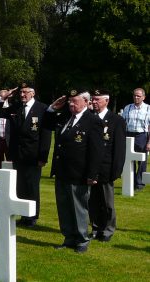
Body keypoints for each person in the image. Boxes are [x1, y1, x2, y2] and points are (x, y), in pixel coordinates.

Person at [44, 90, 104, 253]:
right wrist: (52, 109)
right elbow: (47, 125)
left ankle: (82, 240)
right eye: (69, 101)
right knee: (64, 207)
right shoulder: (65, 117)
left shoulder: (93, 121)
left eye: (74, 101)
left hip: (79, 173)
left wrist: (92, 174)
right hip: (62, 171)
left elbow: (96, 151)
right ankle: (69, 237)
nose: (71, 104)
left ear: (85, 102)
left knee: (79, 207)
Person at [0, 85, 52, 227]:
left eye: (25, 92)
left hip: (33, 155)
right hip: (17, 154)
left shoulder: (42, 108)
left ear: (33, 93)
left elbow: (46, 134)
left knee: (31, 186)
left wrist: (43, 157)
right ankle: (24, 215)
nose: (22, 94)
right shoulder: (16, 107)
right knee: (20, 185)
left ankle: (32, 216)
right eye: (21, 92)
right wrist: (3, 98)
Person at [89, 90, 126, 242]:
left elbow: (119, 149)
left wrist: (116, 171)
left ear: (106, 101)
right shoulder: (90, 119)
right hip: (91, 169)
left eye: (97, 99)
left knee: (107, 203)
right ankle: (96, 228)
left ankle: (108, 230)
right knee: (93, 201)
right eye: (93, 99)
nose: (94, 102)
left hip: (106, 168)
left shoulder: (116, 120)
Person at [121, 88, 150, 191]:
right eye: (134, 95)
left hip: (142, 136)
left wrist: (149, 142)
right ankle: (131, 182)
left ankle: (140, 184)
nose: (136, 97)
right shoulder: (127, 108)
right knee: (129, 160)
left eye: (138, 96)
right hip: (129, 135)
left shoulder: (148, 109)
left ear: (143, 97)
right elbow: (122, 124)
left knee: (141, 161)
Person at [0, 87, 18, 168]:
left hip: (9, 137)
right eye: (0, 96)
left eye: (4, 95)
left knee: (10, 157)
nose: (1, 97)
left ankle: (12, 172)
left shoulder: (12, 107)